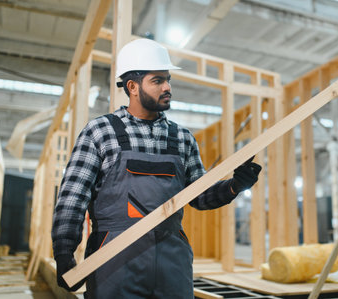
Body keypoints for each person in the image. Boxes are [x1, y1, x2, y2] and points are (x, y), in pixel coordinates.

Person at [51, 38, 262, 299]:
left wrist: (234, 186)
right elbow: (73, 197)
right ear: (132, 87)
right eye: (157, 80)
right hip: (113, 264)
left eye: (168, 79)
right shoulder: (100, 132)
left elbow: (200, 196)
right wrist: (63, 252)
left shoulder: (183, 138)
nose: (167, 87)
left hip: (172, 264)